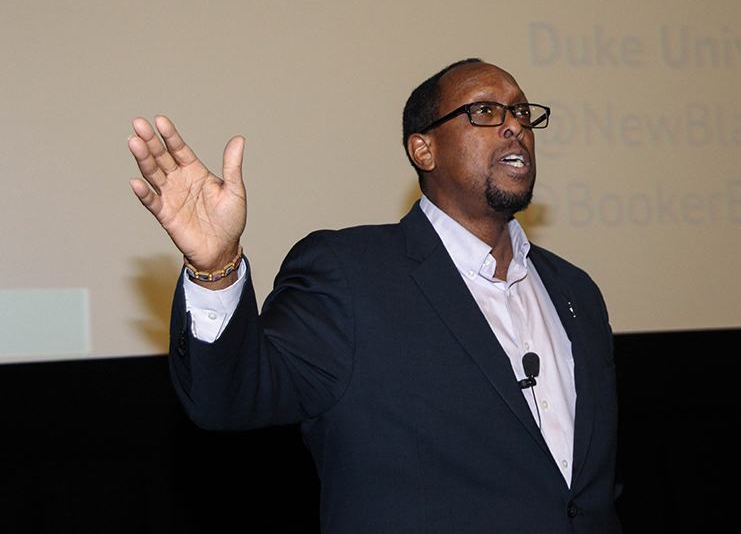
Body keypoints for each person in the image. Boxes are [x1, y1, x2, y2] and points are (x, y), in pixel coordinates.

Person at [128, 59, 621, 533]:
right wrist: (214, 267)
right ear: (423, 150)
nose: (514, 125)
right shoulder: (349, 273)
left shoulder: (575, 291)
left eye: (521, 112)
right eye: (485, 112)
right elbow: (228, 399)